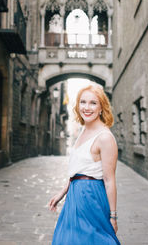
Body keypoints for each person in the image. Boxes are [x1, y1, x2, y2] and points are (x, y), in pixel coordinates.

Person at [49, 83, 121, 245]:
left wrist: (113, 216)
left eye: (93, 103)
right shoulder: (84, 130)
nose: (87, 107)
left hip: (90, 195)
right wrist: (62, 192)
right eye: (83, 102)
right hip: (74, 194)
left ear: (101, 108)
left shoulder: (105, 137)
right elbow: (78, 170)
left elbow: (110, 181)